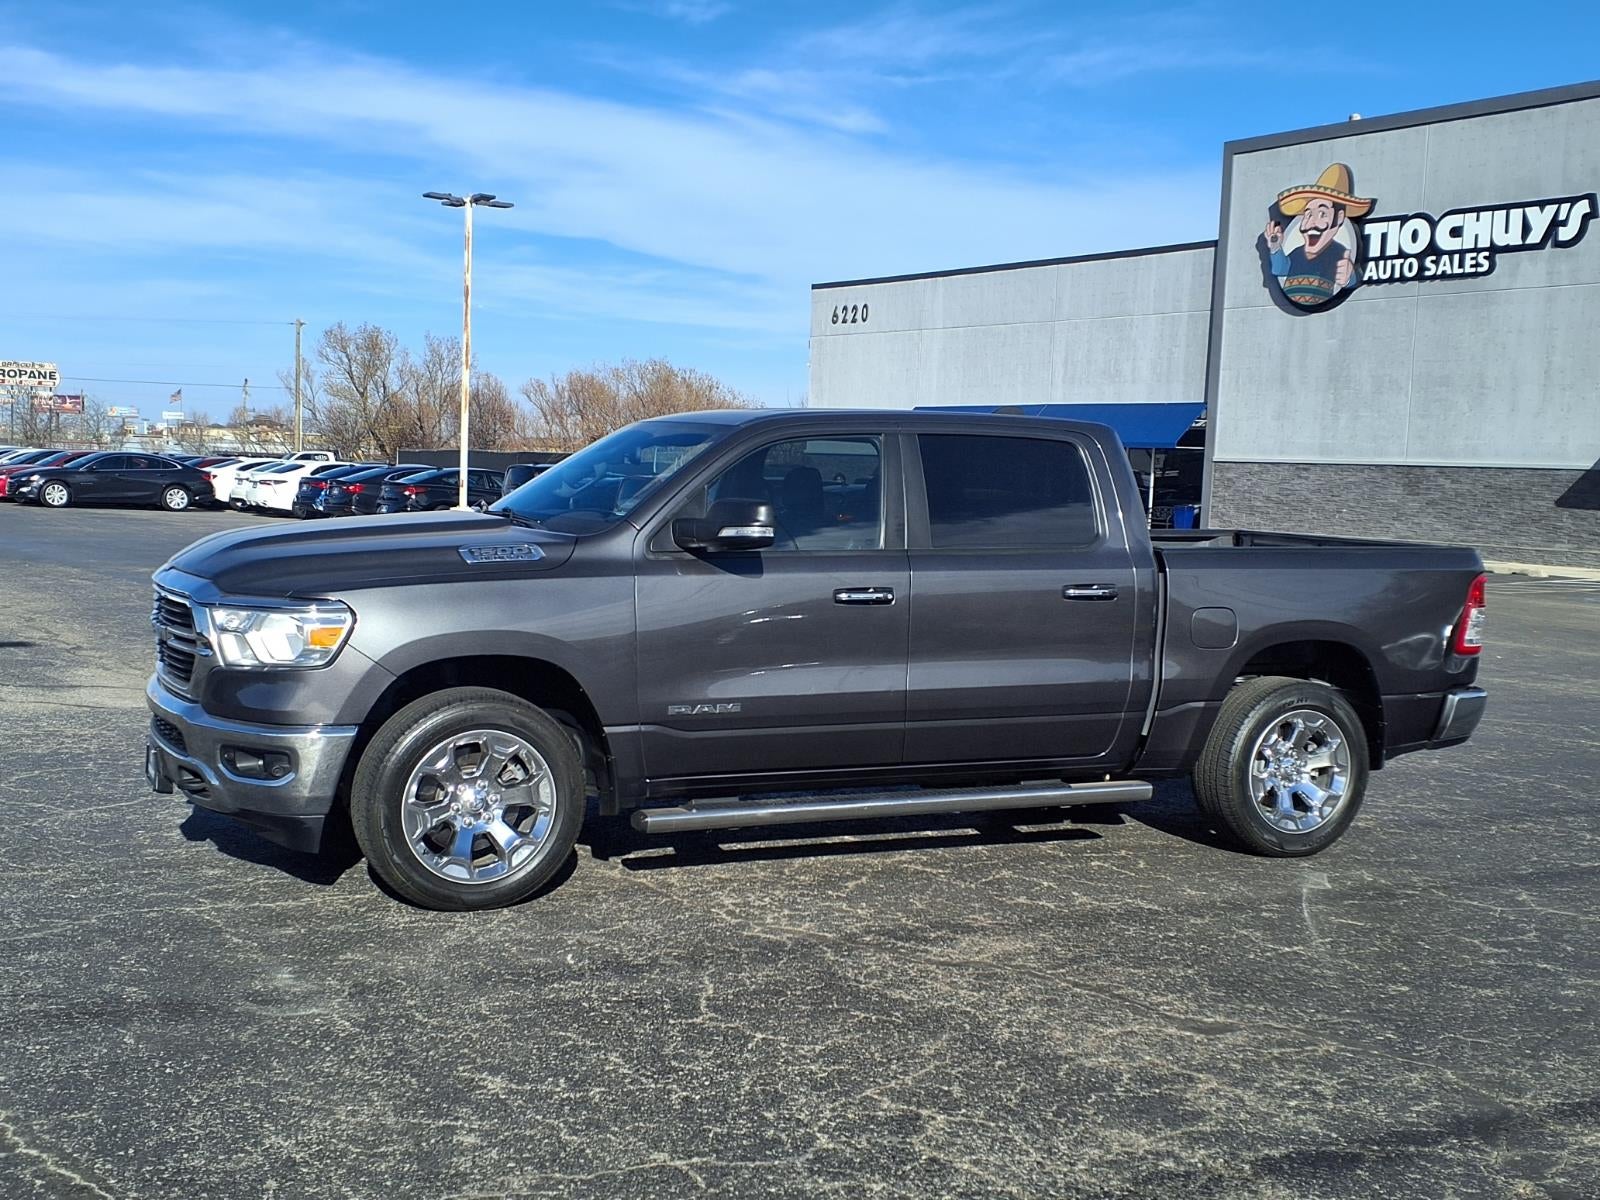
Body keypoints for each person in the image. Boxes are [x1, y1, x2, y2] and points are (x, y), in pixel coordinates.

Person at [1265, 163, 1373, 307]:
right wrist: (1276, 248)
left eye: (1322, 214)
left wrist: (1349, 279)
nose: (1311, 223)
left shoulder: (1339, 253)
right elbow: (1280, 269)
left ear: (1340, 218)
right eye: (1308, 214)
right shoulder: (1297, 253)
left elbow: (1351, 277)